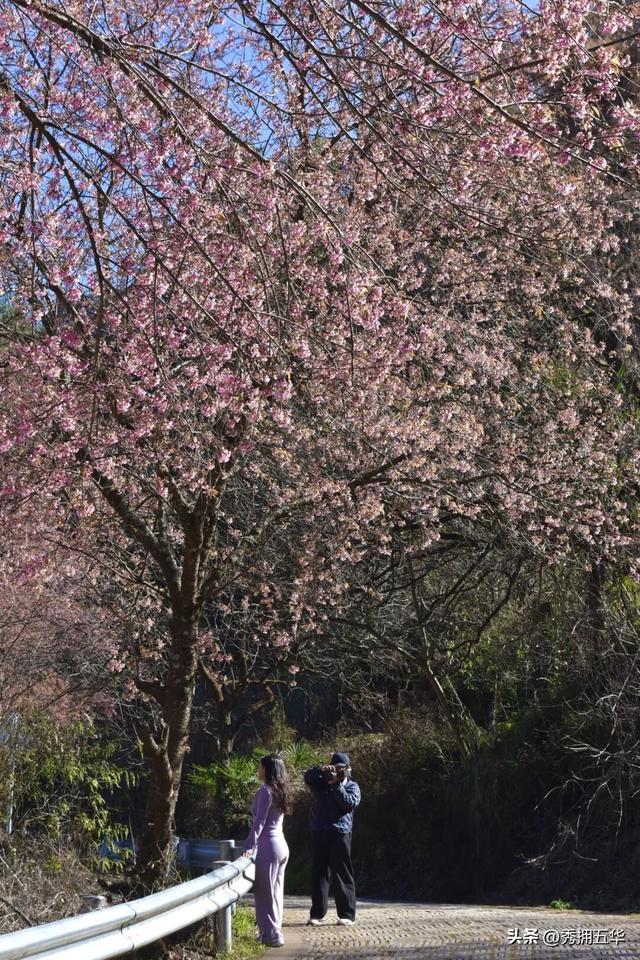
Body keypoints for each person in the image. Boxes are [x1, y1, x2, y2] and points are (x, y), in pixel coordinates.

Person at [303, 751, 361, 926]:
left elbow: (349, 803)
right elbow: (308, 778)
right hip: (320, 831)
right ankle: (317, 914)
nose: (336, 772)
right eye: (335, 768)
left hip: (341, 833)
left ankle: (347, 914)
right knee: (319, 873)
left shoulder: (352, 786)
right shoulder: (323, 785)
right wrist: (321, 770)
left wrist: (336, 784)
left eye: (340, 769)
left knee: (342, 872)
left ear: (348, 770)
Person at [243, 754, 291, 948]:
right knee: (276, 892)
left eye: (260, 767)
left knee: (264, 894)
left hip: (268, 847)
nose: (258, 770)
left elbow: (259, 822)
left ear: (267, 769)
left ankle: (270, 935)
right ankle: (274, 930)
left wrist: (248, 846)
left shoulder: (265, 791)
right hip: (281, 845)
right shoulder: (281, 790)